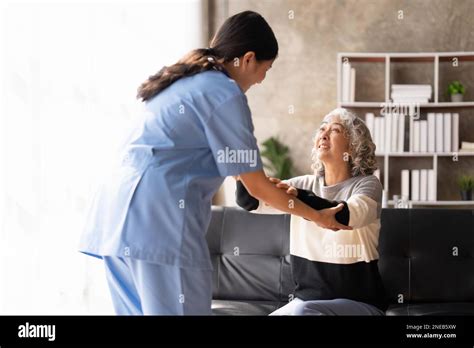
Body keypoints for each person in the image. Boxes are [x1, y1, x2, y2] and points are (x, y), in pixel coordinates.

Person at [79, 10, 330, 315]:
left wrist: (262, 184)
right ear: (248, 58)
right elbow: (257, 188)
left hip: (116, 218)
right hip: (157, 222)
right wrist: (318, 217)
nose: (263, 79)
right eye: (267, 68)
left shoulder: (185, 81)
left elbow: (240, 174)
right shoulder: (223, 92)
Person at [236, 108, 388, 315]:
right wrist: (240, 168)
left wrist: (298, 197)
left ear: (353, 147)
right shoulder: (303, 184)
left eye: (335, 130)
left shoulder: (368, 185)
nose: (324, 134)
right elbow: (251, 202)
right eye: (322, 129)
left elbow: (345, 216)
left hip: (360, 304)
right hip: (306, 303)